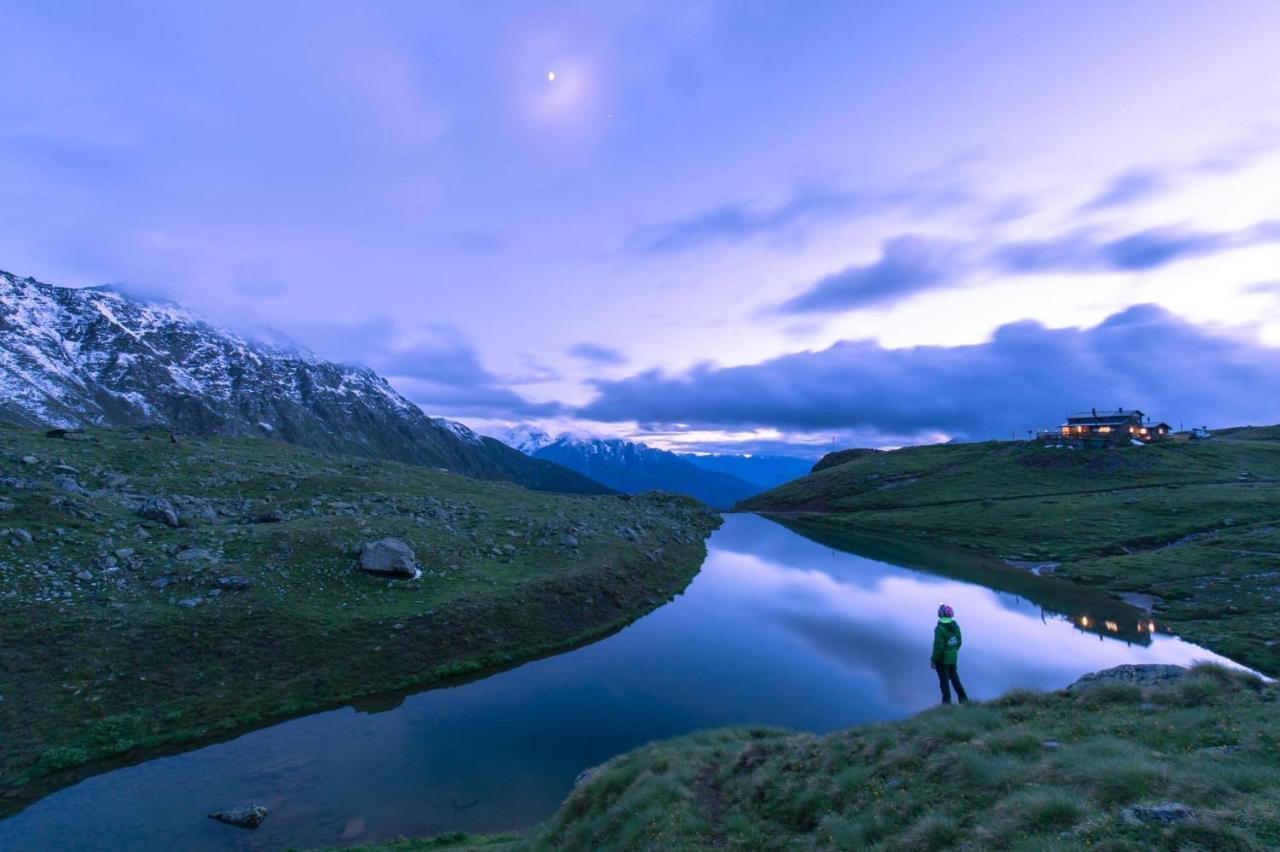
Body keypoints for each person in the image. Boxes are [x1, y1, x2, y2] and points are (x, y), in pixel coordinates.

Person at [930, 603, 968, 704]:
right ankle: (964, 700)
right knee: (955, 680)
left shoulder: (939, 629)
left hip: (942, 661)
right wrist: (952, 651)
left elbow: (938, 647)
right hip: (953, 659)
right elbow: (959, 642)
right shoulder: (956, 627)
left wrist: (933, 660)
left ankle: (946, 704)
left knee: (944, 682)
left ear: (940, 614)